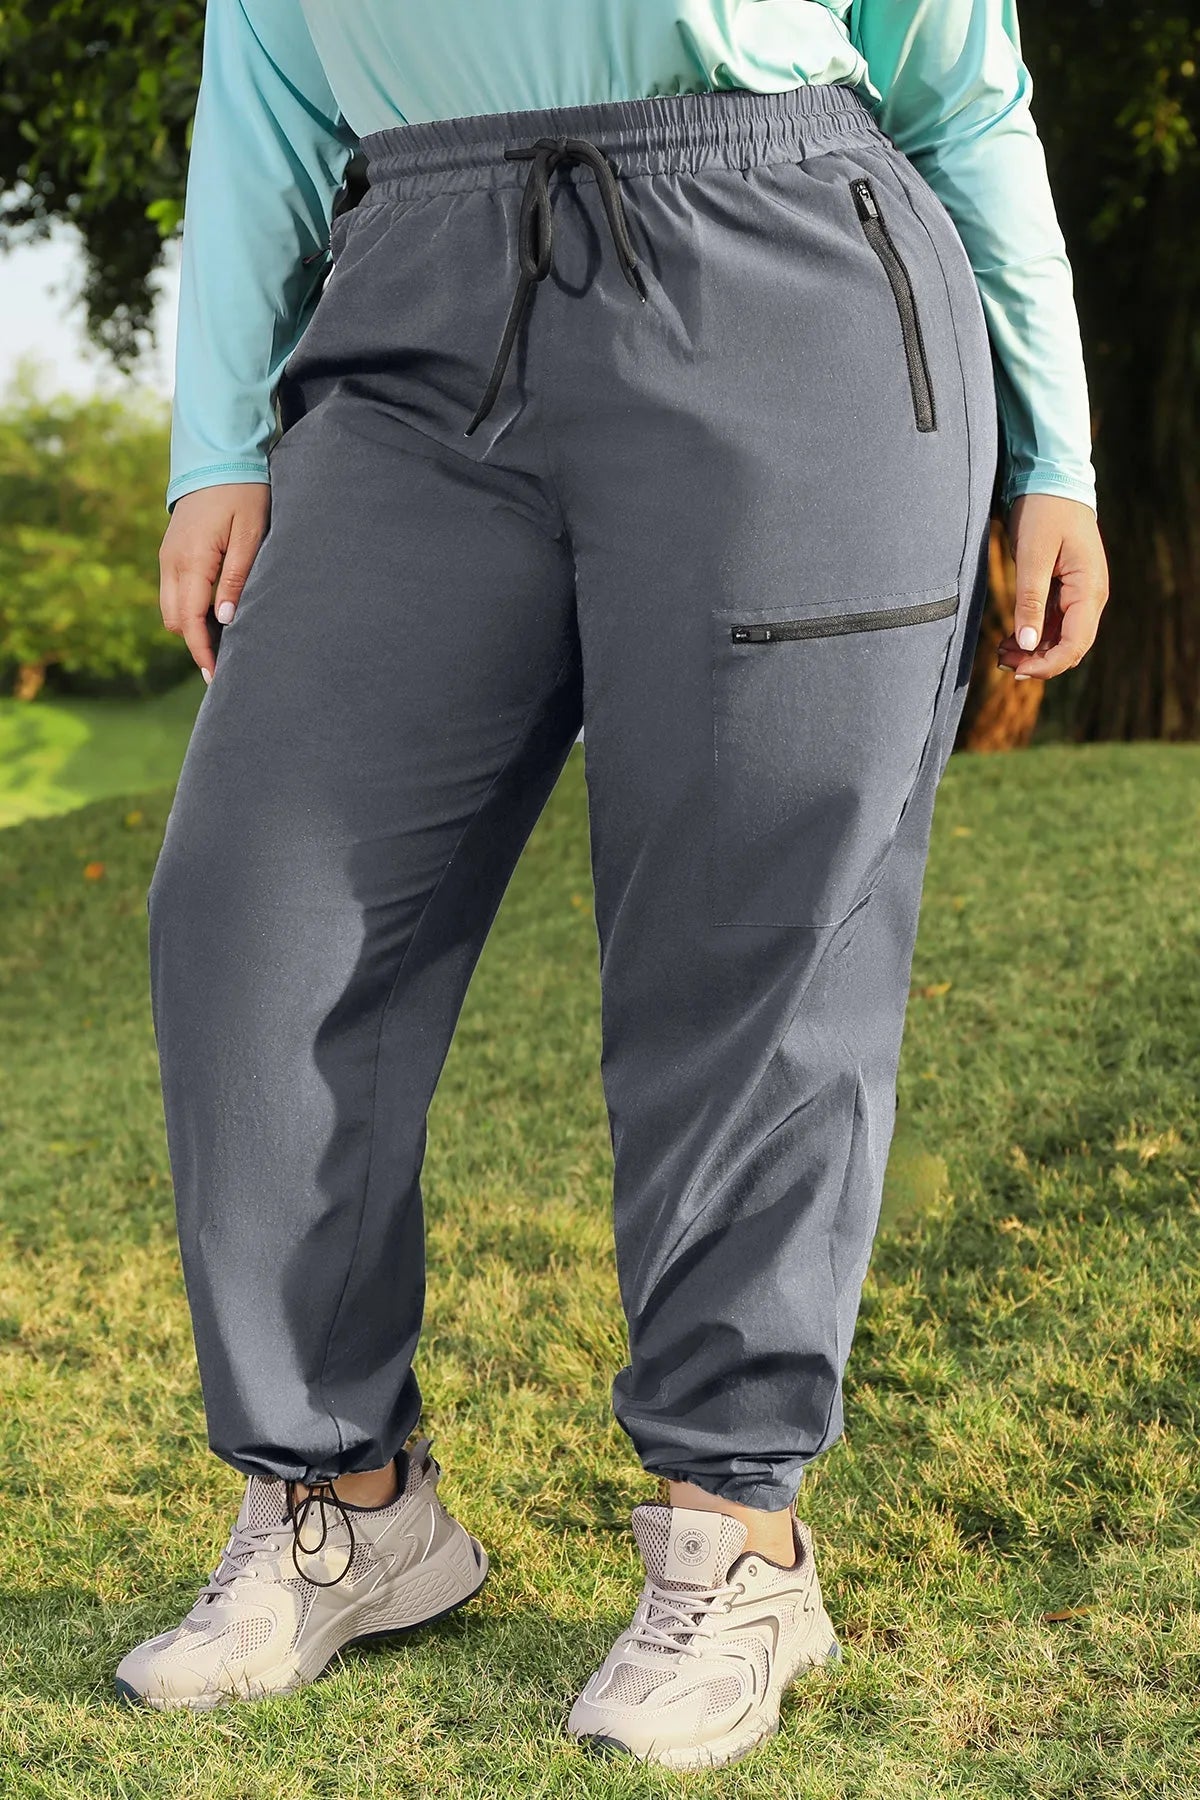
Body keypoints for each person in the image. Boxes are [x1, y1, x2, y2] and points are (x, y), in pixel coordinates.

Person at [120, 0, 1109, 1770]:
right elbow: (257, 81)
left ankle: (736, 1537)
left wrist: (1057, 454)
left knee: (752, 936)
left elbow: (964, 89)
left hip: (787, 269)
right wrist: (219, 445)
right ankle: (344, 1503)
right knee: (252, 907)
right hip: (412, 297)